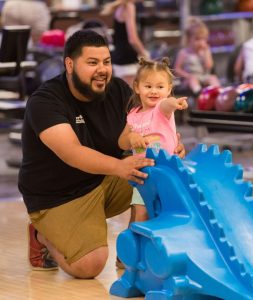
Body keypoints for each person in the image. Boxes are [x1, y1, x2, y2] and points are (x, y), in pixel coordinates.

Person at [18, 29, 185, 279]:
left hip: (104, 179)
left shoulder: (116, 90)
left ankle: (133, 253)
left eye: (106, 62)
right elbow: (72, 153)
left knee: (161, 177)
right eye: (92, 62)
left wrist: (170, 146)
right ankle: (42, 234)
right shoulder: (46, 101)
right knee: (90, 265)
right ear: (70, 64)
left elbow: (147, 122)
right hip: (58, 196)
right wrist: (120, 167)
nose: (102, 69)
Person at [118, 57, 188, 222]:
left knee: (167, 212)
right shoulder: (133, 115)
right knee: (140, 214)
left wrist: (175, 102)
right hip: (143, 175)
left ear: (169, 89)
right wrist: (131, 137)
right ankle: (139, 245)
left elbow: (167, 104)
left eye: (160, 87)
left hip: (167, 172)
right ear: (137, 87)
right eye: (148, 86)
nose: (154, 91)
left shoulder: (161, 110)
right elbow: (121, 142)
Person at [100, 0, 150, 86]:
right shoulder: (128, 7)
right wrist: (144, 53)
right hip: (126, 59)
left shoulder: (122, 6)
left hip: (120, 57)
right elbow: (132, 39)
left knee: (124, 95)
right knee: (128, 96)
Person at [174, 17, 220, 96]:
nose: (201, 42)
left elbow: (209, 66)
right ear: (189, 39)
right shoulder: (184, 53)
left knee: (213, 77)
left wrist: (206, 53)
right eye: (197, 39)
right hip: (189, 78)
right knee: (193, 79)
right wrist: (187, 75)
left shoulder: (205, 51)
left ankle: (217, 94)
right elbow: (177, 70)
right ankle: (199, 94)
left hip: (203, 76)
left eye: (203, 39)